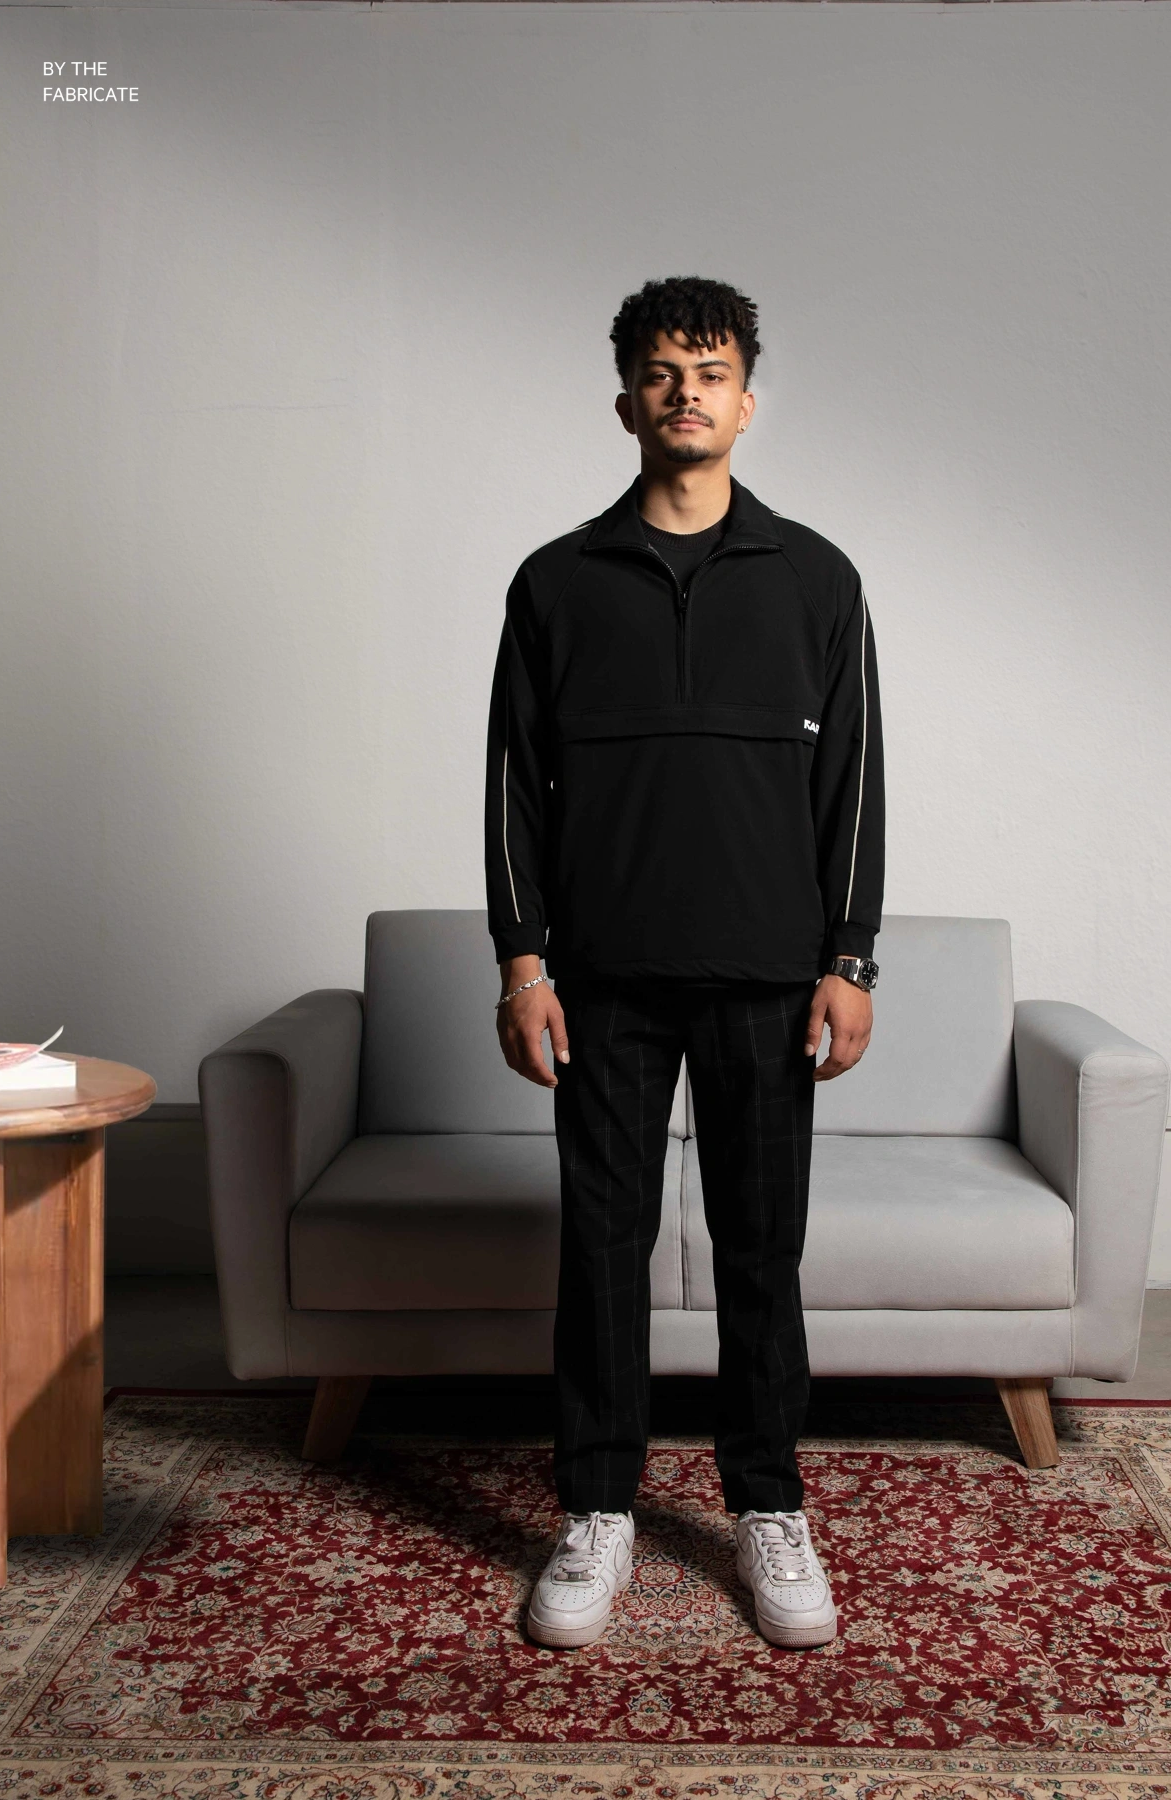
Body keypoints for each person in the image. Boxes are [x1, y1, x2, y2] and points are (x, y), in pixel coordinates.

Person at [483, 275, 885, 1652]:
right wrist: (524, 963)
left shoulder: (819, 578)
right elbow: (512, 787)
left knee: (763, 1252)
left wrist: (853, 959)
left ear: (746, 401)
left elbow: (854, 787)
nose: (686, 394)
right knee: (602, 1251)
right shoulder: (554, 582)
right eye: (662, 372)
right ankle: (597, 1506)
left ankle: (768, 1503)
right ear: (626, 403)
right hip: (601, 982)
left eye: (710, 373)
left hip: (771, 983)